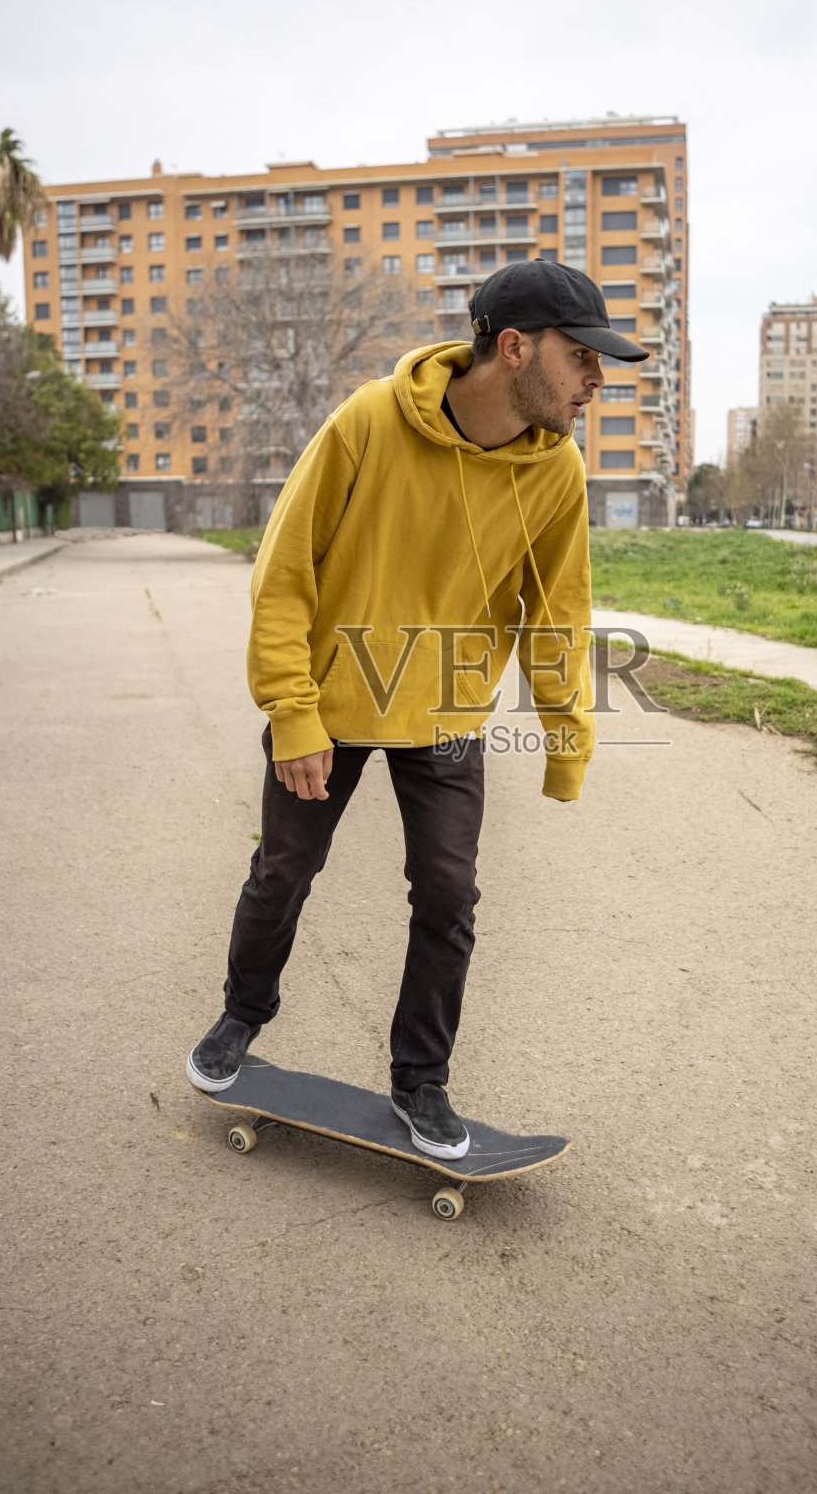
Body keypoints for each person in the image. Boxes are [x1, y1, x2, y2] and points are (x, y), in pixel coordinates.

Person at [186, 258, 649, 1158]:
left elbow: (555, 610)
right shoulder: (367, 423)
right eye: (582, 357)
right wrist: (292, 712)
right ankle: (242, 1015)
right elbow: (284, 575)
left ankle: (420, 1081)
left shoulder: (557, 471)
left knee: (447, 894)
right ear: (513, 349)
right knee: (284, 870)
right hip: (331, 698)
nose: (598, 379)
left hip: (443, 711)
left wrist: (568, 740)